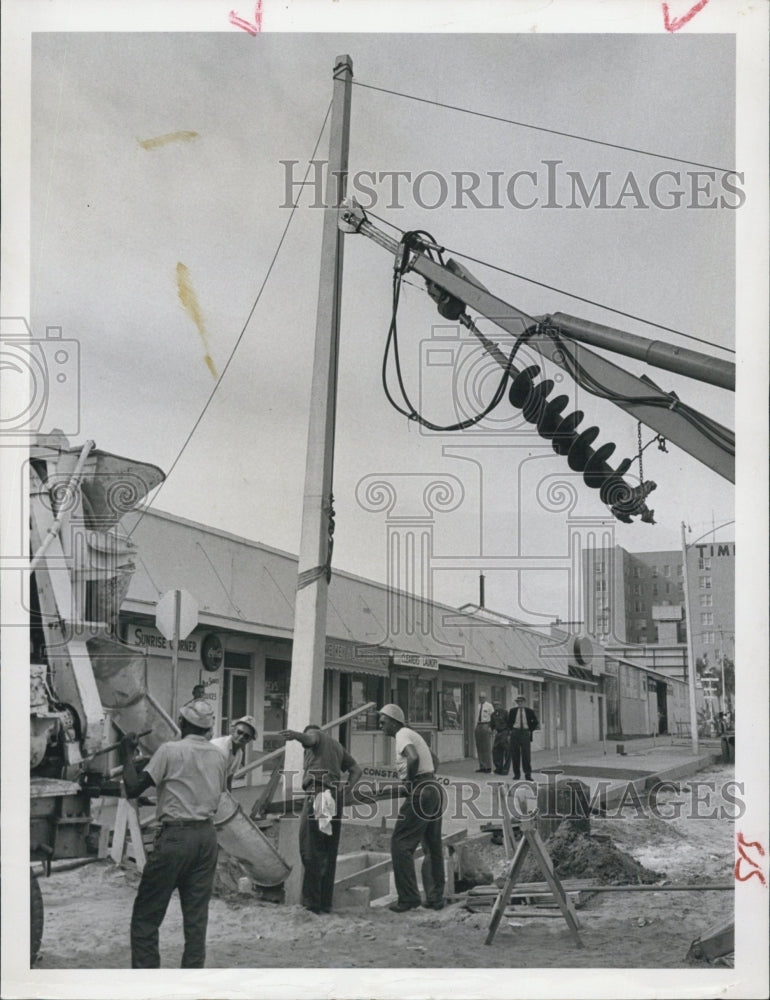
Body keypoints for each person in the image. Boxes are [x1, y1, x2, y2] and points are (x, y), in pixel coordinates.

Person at [119, 699, 227, 968]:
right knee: (195, 920)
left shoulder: (169, 750)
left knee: (146, 917)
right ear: (207, 729)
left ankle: (147, 985)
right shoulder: (218, 755)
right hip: (206, 837)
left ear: (180, 724)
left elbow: (133, 788)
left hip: (176, 838)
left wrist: (126, 754)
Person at [279, 724, 362, 915]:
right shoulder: (337, 746)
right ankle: (325, 903)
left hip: (318, 793)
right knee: (328, 850)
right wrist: (346, 788)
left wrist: (296, 735)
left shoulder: (315, 735)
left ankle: (311, 905)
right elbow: (357, 770)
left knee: (311, 848)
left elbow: (310, 739)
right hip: (334, 797)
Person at [378, 704, 445, 912]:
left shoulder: (402, 734)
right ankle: (435, 898)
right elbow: (434, 759)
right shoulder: (413, 734)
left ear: (393, 721)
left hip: (421, 791)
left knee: (400, 844)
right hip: (433, 788)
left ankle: (408, 898)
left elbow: (413, 757)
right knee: (432, 845)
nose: (381, 727)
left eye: (383, 722)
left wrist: (409, 781)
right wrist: (426, 776)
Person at [210, 715, 257, 790]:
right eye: (239, 732)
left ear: (249, 740)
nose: (241, 737)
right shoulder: (221, 747)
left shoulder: (239, 753)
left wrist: (230, 798)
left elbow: (228, 779)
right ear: (232, 731)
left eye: (246, 736)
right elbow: (211, 778)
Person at [507, 694, 538, 782]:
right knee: (515, 754)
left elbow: (535, 722)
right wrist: (511, 731)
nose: (520, 704)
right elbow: (509, 722)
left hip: (525, 732)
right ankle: (516, 774)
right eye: (518, 702)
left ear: (525, 702)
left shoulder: (529, 711)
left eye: (521, 702)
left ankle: (528, 774)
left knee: (526, 755)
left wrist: (530, 729)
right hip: (515, 732)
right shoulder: (513, 711)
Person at [474, 691, 495, 773]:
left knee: (486, 746)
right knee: (479, 746)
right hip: (479, 725)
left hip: (486, 725)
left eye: (482, 697)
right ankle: (482, 766)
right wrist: (475, 726)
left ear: (485, 698)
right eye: (480, 697)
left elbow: (493, 717)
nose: (481, 699)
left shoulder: (489, 706)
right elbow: (476, 717)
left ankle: (488, 767)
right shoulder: (478, 706)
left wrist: (491, 727)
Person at [490, 702, 511, 775]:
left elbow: (509, 723)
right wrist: (491, 729)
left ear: (500, 705)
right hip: (498, 733)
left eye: (497, 704)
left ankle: (506, 769)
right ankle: (498, 768)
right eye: (494, 705)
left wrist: (509, 734)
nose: (496, 706)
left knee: (507, 751)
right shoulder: (493, 715)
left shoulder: (505, 713)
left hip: (505, 732)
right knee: (496, 750)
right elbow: (492, 724)